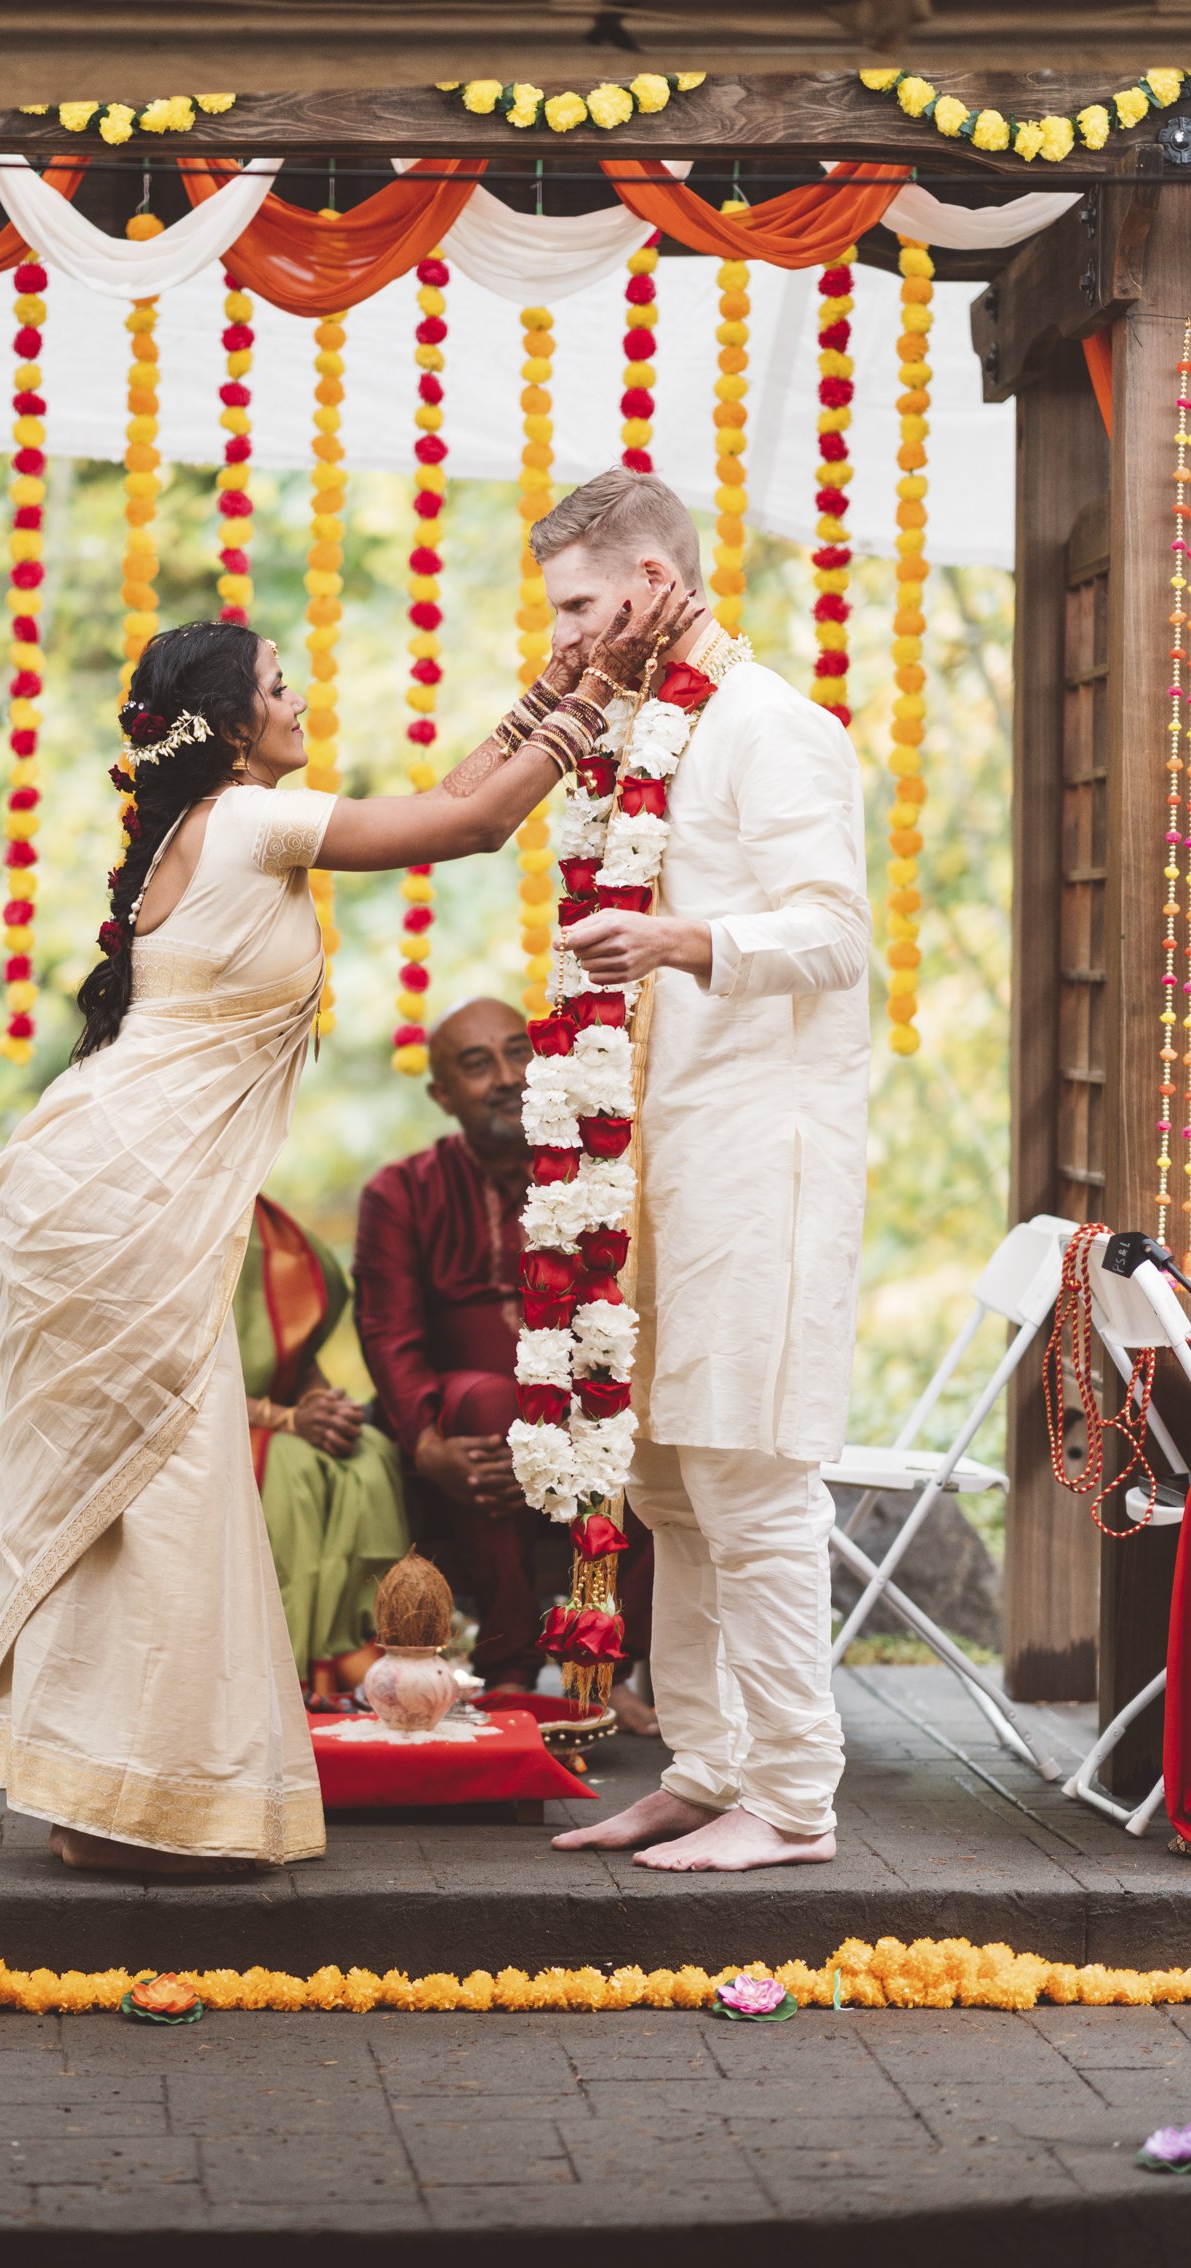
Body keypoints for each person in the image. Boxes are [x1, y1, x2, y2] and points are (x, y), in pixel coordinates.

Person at [0, 606, 666, 1876]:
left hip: (100, 1179)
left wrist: (546, 689)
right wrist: (601, 693)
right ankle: (150, 1805)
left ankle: (107, 1797)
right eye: (280, 689)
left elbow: (438, 795)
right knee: (172, 1486)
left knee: (142, 1493)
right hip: (125, 1194)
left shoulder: (216, 823)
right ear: (234, 726)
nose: (300, 704)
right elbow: (464, 826)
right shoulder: (248, 820)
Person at [524, 468, 872, 1874]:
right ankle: (709, 1764)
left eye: (582, 606)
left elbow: (836, 935)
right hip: (657, 1154)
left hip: (755, 1154)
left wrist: (678, 942)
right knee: (664, 1480)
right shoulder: (638, 735)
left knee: (749, 1478)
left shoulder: (772, 728)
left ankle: (793, 1797)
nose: (563, 638)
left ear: (658, 585)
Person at [354, 996, 654, 1705]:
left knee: (637, 1415)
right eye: (475, 1064)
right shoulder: (400, 1192)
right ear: (442, 1094)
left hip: (589, 1414)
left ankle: (616, 1669)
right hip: (463, 1431)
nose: (506, 1075)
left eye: (519, 1052)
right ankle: (510, 1663)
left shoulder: (600, 1175)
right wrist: (427, 1446)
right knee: (496, 1403)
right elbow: (388, 1334)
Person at [236, 1193, 409, 1693]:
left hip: (274, 1416)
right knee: (294, 1465)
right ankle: (295, 1672)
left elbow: (298, 1361)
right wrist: (286, 1419)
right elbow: (164, 1382)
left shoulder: (275, 1233)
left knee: (368, 1451)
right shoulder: (158, 1226)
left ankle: (360, 1651)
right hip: (195, 1425)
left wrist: (325, 1408)